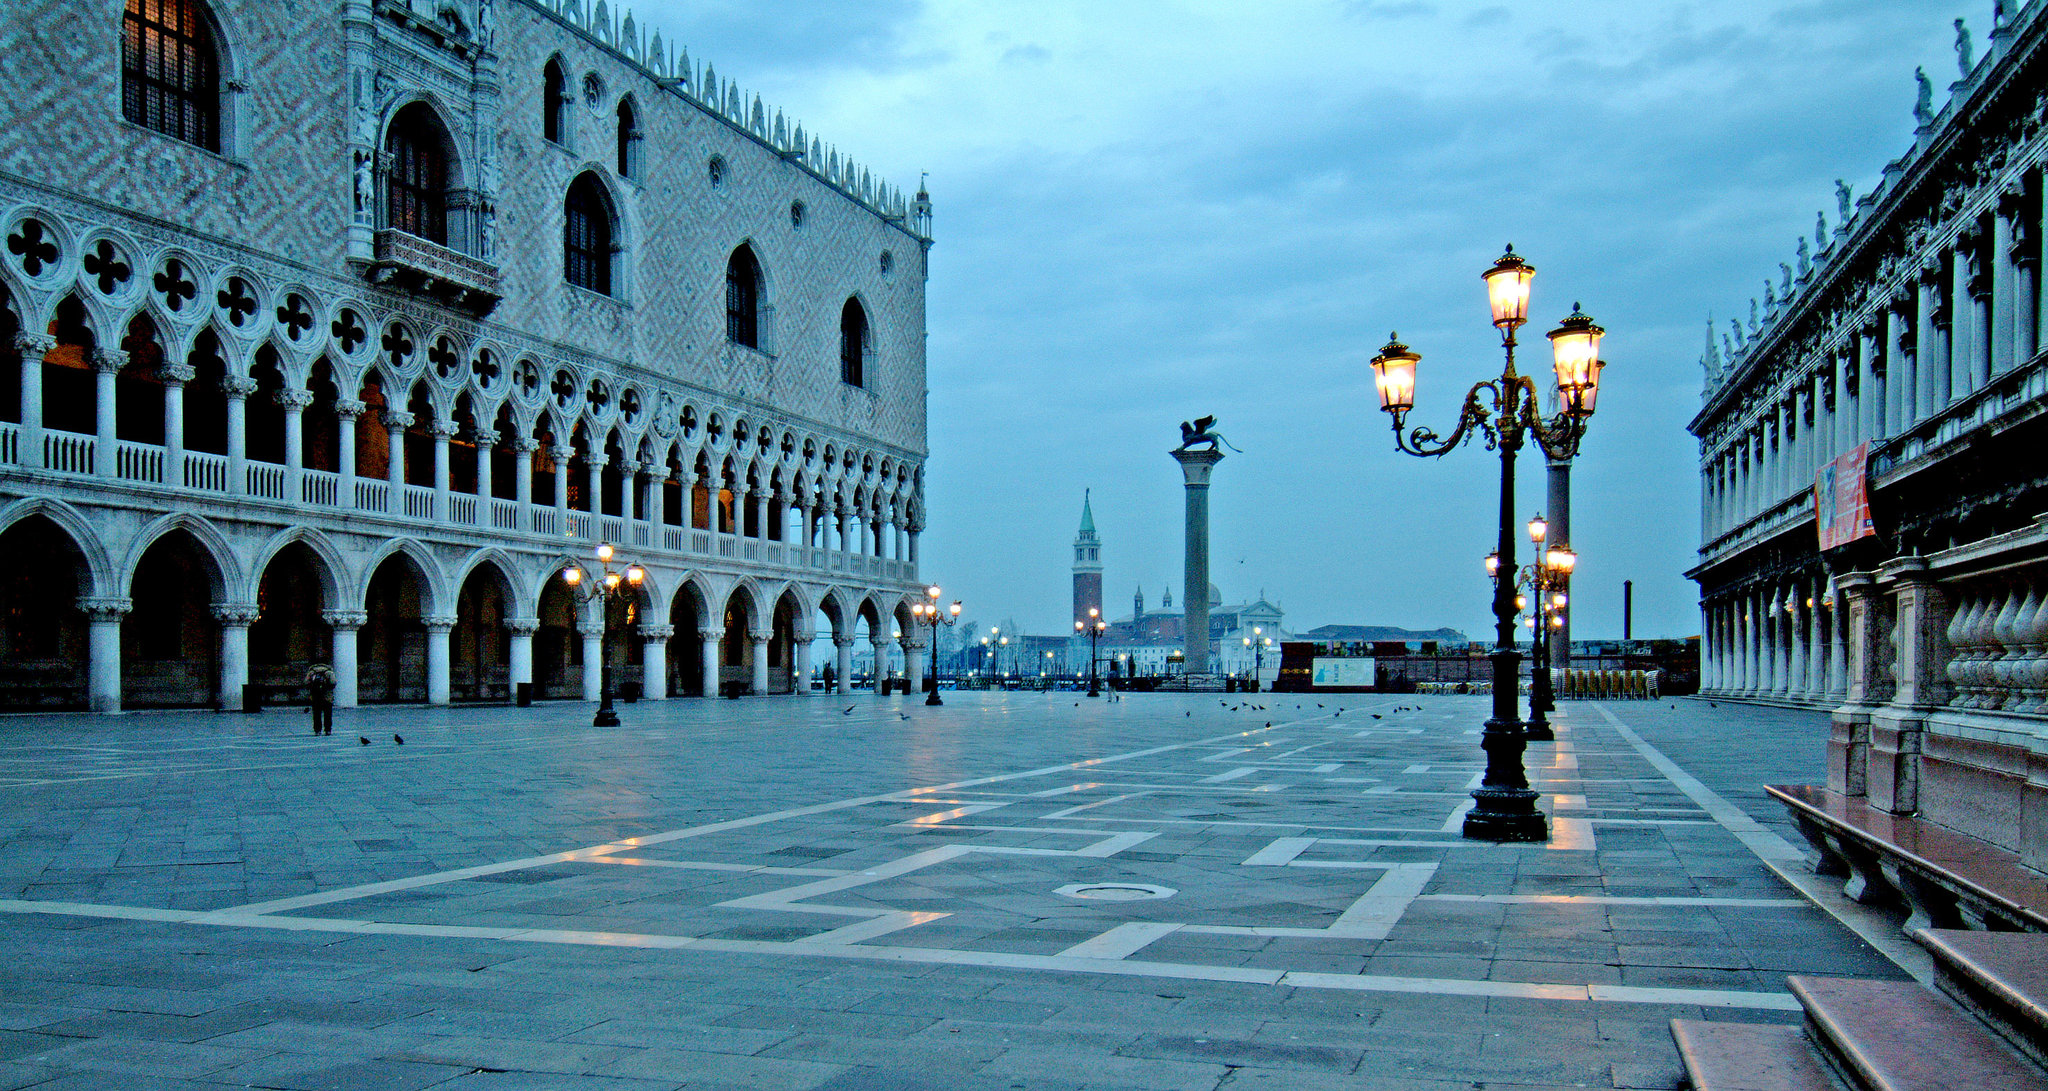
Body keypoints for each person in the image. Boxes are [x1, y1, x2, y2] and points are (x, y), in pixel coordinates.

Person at [306, 664, 336, 736]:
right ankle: (328, 730)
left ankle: (317, 730)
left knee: (316, 714)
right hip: (327, 696)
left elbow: (306, 682)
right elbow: (333, 682)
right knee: (328, 714)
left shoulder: (312, 672)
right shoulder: (329, 672)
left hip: (315, 696)